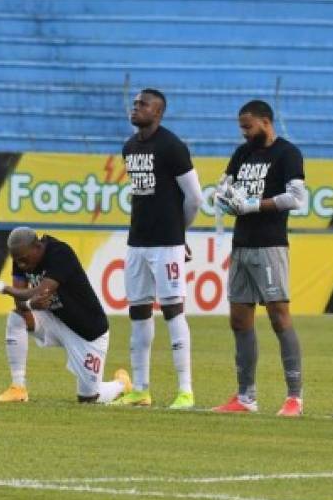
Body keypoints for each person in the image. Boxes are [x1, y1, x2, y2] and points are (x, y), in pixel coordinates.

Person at [212, 100, 307, 416]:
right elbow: (224, 186)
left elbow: (297, 198)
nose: (244, 132)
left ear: (266, 122)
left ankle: (294, 397)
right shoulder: (243, 153)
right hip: (242, 244)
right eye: (241, 127)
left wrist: (253, 204)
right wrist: (223, 198)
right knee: (239, 319)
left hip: (270, 245)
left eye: (248, 126)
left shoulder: (288, 153)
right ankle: (245, 397)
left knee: (279, 317)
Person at [113, 88, 202, 409]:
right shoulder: (129, 147)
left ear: (159, 113)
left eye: (143, 105)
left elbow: (195, 198)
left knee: (172, 310)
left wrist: (180, 233)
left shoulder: (172, 146)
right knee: (138, 311)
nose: (135, 108)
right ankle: (141, 389)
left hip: (167, 244)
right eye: (135, 103)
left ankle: (185, 390)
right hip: (137, 241)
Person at [0, 227, 132, 403]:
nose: (21, 265)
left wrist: (6, 289)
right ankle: (18, 388)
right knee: (17, 317)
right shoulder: (22, 256)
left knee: (88, 399)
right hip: (55, 320)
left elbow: (40, 291)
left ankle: (121, 384)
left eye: (24, 260)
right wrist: (27, 306)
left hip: (87, 332)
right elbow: (21, 302)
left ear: (37, 247)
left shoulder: (60, 253)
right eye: (17, 261)